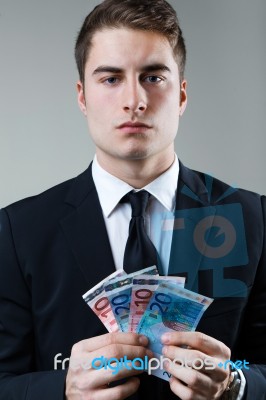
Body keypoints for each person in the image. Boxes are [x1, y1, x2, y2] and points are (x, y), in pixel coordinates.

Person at [0, 0, 265, 399]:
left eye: (153, 77)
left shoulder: (253, 219)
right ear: (82, 97)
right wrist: (62, 389)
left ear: (181, 95)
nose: (134, 100)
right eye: (110, 79)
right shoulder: (18, 231)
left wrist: (237, 384)